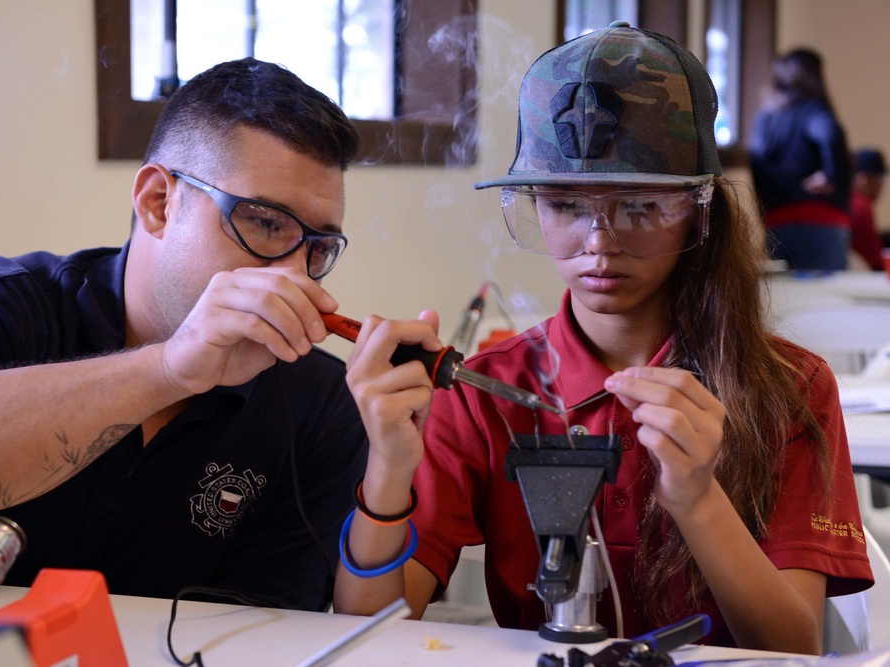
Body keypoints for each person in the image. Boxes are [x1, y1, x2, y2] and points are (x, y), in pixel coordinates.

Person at [332, 23, 873, 653]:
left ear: (697, 210)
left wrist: (697, 500)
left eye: (638, 205)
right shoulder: (488, 391)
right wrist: (388, 468)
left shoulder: (790, 388)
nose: (598, 240)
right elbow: (363, 635)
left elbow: (792, 645)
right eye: (565, 204)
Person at [0, 58, 368, 612]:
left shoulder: (320, 402)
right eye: (264, 223)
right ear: (157, 203)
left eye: (317, 248)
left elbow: (260, 634)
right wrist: (166, 369)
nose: (291, 276)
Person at [749, 48, 853, 272]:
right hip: (820, 219)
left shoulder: (765, 117)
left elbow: (756, 162)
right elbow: (830, 134)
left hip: (777, 223)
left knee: (788, 300)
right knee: (825, 300)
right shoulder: (813, 110)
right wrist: (831, 176)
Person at [848, 148, 887, 271]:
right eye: (880, 180)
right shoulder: (860, 206)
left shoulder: (844, 201)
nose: (881, 188)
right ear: (864, 179)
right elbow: (873, 259)